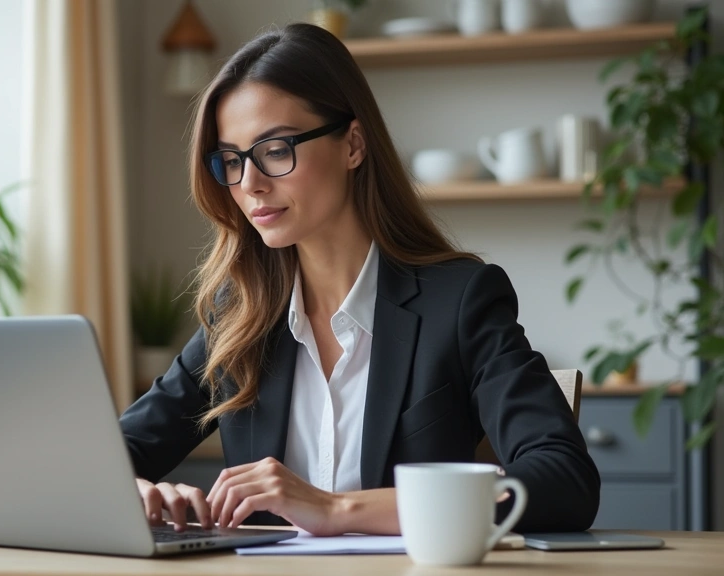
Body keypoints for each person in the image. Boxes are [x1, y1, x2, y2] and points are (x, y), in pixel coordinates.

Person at [119, 22, 599, 537]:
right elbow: (109, 455)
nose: (250, 183)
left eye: (276, 150)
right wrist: (134, 489)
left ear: (352, 144)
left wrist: (335, 509)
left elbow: (562, 480)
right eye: (231, 160)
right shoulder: (239, 315)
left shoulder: (458, 301)